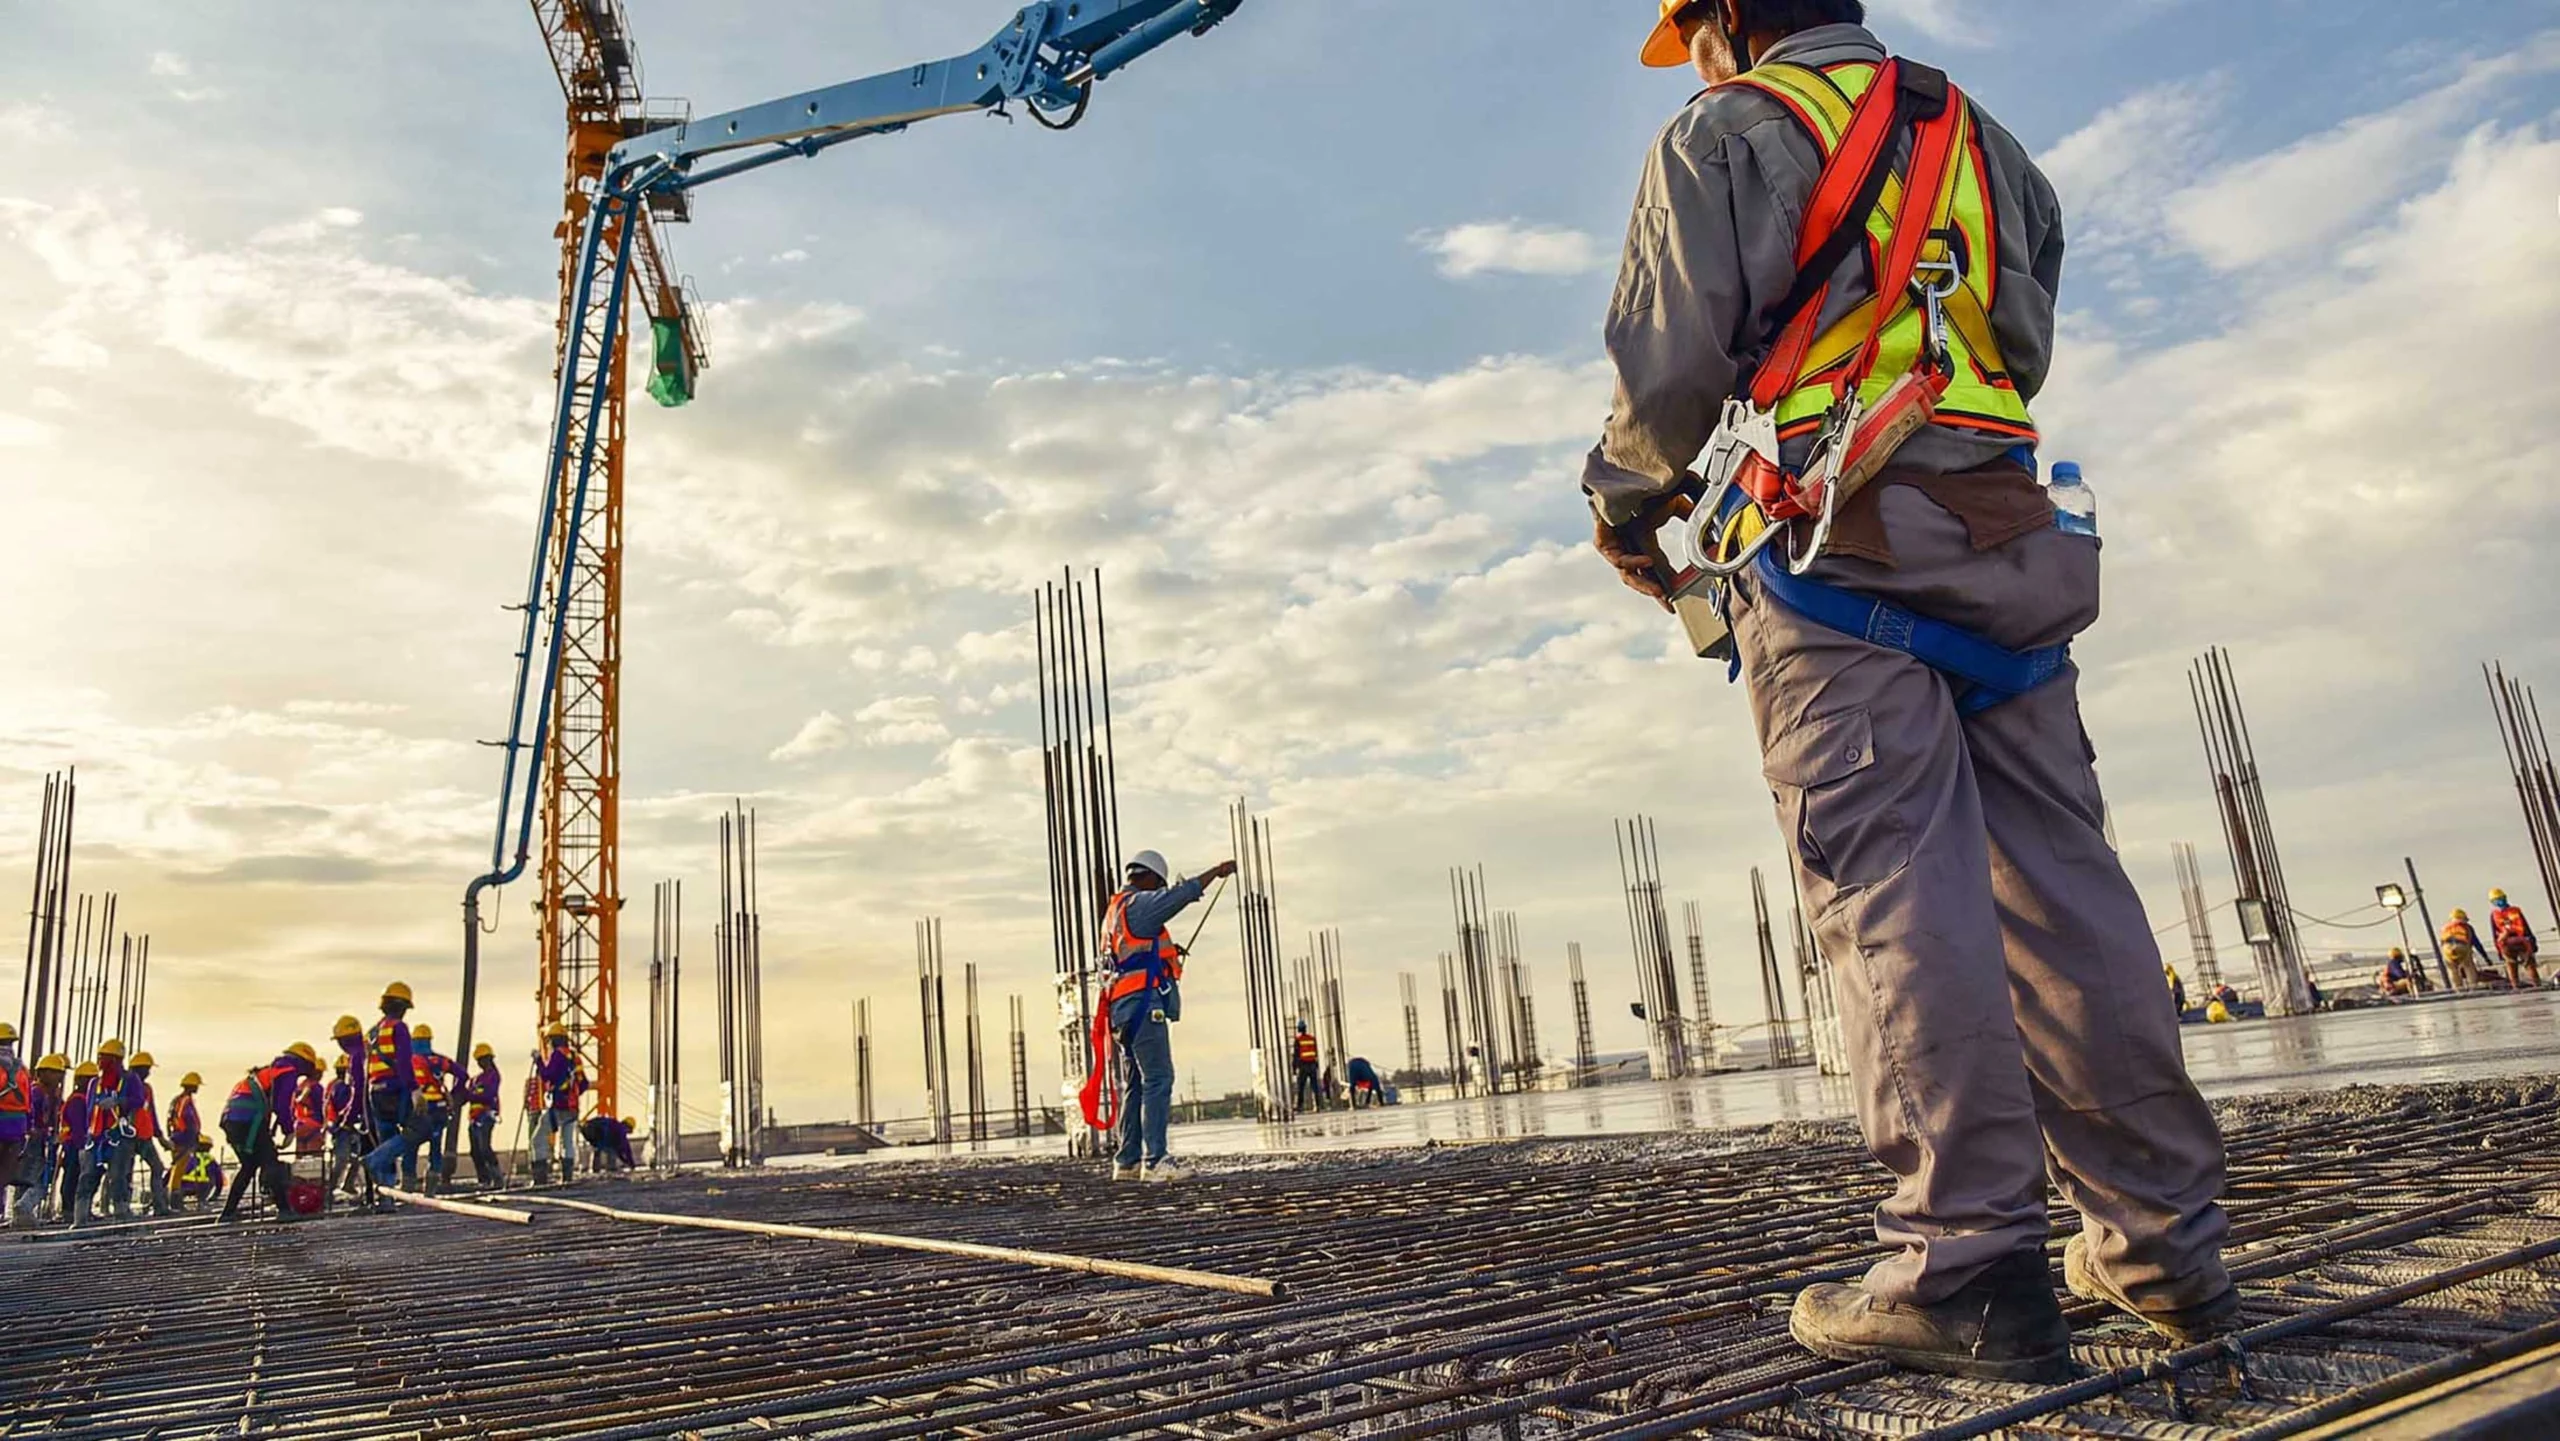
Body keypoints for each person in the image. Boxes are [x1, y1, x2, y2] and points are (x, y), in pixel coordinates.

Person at [1587, 0, 2233, 1380]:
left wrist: (1628, 504)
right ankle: (2163, 1244)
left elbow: (1671, 363)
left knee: (1893, 898)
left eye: (1693, 31)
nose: (1692, 59)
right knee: (2069, 895)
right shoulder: (1984, 141)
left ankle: (1966, 1263)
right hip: (2008, 548)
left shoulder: (1725, 129)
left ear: (1728, 18)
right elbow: (2025, 341)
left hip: (1836, 555)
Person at [1087, 848, 1236, 1183]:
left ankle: (1126, 1161)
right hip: (1141, 1005)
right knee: (1159, 1078)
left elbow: (1133, 954)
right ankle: (1155, 1160)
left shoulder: (1114, 911)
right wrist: (1215, 871)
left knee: (1137, 1083)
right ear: (1150, 878)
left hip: (1121, 1010)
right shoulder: (1139, 905)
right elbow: (1179, 896)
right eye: (1158, 885)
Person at [220, 1045, 321, 1222]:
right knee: (271, 1161)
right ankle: (284, 1210)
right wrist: (289, 1131)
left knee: (249, 1165)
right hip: (247, 1120)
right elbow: (281, 1105)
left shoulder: (271, 1071)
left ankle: (227, 1214)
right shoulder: (287, 1070)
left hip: (232, 1120)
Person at [70, 1038, 134, 1228]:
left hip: (118, 1137)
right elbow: (89, 1111)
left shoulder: (129, 1080)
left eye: (104, 1058)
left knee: (117, 1176)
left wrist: (119, 1102)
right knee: (88, 1175)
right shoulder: (94, 1083)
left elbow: (137, 1101)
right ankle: (79, 1217)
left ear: (116, 1060)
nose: (100, 1062)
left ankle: (121, 1213)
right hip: (95, 1137)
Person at [361, 983, 419, 1187]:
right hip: (395, 1089)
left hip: (375, 1091)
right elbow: (404, 1062)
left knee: (387, 1137)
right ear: (401, 1007)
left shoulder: (372, 1032)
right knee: (420, 1130)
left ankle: (387, 1194)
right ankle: (373, 1160)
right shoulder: (398, 1028)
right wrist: (414, 1090)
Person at [109, 1051, 172, 1218]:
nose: (149, 1072)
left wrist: (159, 1136)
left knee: (157, 1167)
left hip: (144, 1135)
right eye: (147, 1068)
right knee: (124, 1172)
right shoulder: (124, 1083)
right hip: (129, 1135)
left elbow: (151, 1113)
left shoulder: (147, 1089)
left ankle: (160, 1205)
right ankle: (122, 1208)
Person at [14, 1052, 67, 1227]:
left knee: (30, 1178)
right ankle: (24, 1207)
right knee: (38, 1179)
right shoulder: (36, 1092)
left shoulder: (52, 1095)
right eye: (55, 1072)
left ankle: (21, 1216)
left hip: (43, 1139)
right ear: (43, 1073)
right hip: (35, 1141)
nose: (59, 1077)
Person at [530, 1024, 586, 1184]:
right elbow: (584, 1084)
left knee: (537, 1139)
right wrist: (572, 1095)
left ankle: (540, 1179)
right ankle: (567, 1178)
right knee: (567, 1141)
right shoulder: (575, 1057)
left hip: (559, 1106)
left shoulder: (557, 1055)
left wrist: (539, 1061)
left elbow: (547, 1075)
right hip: (573, 1107)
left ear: (553, 1040)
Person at [56, 1060, 96, 1223]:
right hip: (74, 1145)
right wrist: (83, 1147)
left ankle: (76, 1209)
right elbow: (79, 1126)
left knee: (77, 1176)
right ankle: (68, 1210)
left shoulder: (81, 1099)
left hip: (76, 1144)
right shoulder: (78, 1101)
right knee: (73, 1176)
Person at [462, 1043, 505, 1189]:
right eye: (479, 1060)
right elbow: (467, 1095)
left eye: (484, 1059)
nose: (482, 1063)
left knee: (484, 1148)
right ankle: (484, 1180)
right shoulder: (475, 1079)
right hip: (474, 1118)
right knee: (475, 1151)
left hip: (485, 1116)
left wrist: (470, 1095)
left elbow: (488, 1095)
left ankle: (497, 1178)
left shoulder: (493, 1076)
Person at [0, 1023, 30, 1226]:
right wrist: (29, 1127)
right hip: (17, 1125)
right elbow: (28, 1104)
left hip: (3, 1121)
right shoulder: (22, 1068)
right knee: (4, 1174)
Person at [2490, 890, 2542, 989]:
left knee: (2511, 966)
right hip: (2521, 941)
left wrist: (2499, 951)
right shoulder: (2515, 911)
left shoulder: (2494, 915)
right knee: (2529, 964)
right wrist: (2533, 942)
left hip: (2506, 943)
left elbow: (2494, 934)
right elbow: (2526, 927)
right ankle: (2537, 985)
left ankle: (2515, 987)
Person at [2442, 910, 2491, 989]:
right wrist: (2485, 957)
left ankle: (2457, 988)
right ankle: (2473, 986)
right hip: (2462, 948)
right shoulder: (2467, 927)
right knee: (2469, 967)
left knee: (2453, 970)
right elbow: (2476, 943)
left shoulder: (2445, 928)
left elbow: (2442, 942)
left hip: (2447, 950)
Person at [173, 1140, 225, 1211]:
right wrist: (215, 1195)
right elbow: (219, 1178)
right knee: (211, 1178)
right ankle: (202, 1202)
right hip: (203, 1187)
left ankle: (178, 1205)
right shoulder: (211, 1159)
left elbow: (172, 1173)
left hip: (184, 1186)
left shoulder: (186, 1157)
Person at [1290, 1021, 1323, 1113]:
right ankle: (1317, 1105)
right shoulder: (1312, 1039)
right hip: (1312, 1064)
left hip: (1303, 1065)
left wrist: (1294, 1068)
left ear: (1299, 1029)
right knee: (1314, 1086)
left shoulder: (1298, 1040)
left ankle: (1300, 1106)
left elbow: (1296, 1055)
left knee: (1301, 1086)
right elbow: (1315, 1053)